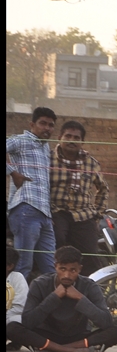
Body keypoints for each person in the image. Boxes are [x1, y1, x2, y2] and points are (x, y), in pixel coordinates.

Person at [7, 245, 117, 352]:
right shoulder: (40, 284)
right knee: (12, 328)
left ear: (80, 269)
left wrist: (80, 298)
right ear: (55, 266)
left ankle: (52, 349)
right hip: (46, 335)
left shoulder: (89, 285)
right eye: (62, 269)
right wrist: (54, 297)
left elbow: (106, 322)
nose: (67, 275)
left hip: (78, 336)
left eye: (73, 270)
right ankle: (72, 351)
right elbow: (28, 322)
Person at [49, 120, 108, 276]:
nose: (72, 140)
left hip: (83, 214)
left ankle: (89, 285)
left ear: (82, 142)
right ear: (60, 138)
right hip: (57, 211)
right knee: (57, 241)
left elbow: (103, 189)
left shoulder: (91, 163)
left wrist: (97, 215)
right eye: (68, 136)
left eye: (76, 138)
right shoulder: (48, 159)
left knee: (90, 253)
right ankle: (57, 281)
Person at [6, 107, 57, 280]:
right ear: (32, 124)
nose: (47, 128)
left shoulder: (45, 147)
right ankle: (14, 298)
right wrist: (13, 173)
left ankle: (49, 299)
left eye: (51, 125)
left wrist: (47, 214)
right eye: (43, 123)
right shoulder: (21, 140)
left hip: (44, 214)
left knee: (51, 269)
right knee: (22, 266)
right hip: (26, 208)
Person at [6, 245, 31, 351]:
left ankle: (16, 342)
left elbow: (20, 307)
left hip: (10, 317)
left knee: (16, 322)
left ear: (9, 266)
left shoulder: (17, 278)